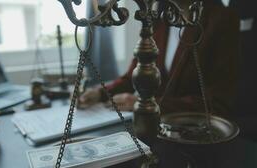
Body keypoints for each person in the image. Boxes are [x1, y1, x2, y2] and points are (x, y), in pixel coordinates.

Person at [79, 0, 239, 118]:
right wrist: (100, 93)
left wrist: (146, 103)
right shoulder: (161, 19)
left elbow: (217, 103)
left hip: (194, 131)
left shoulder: (221, 19)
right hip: (158, 127)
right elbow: (133, 76)